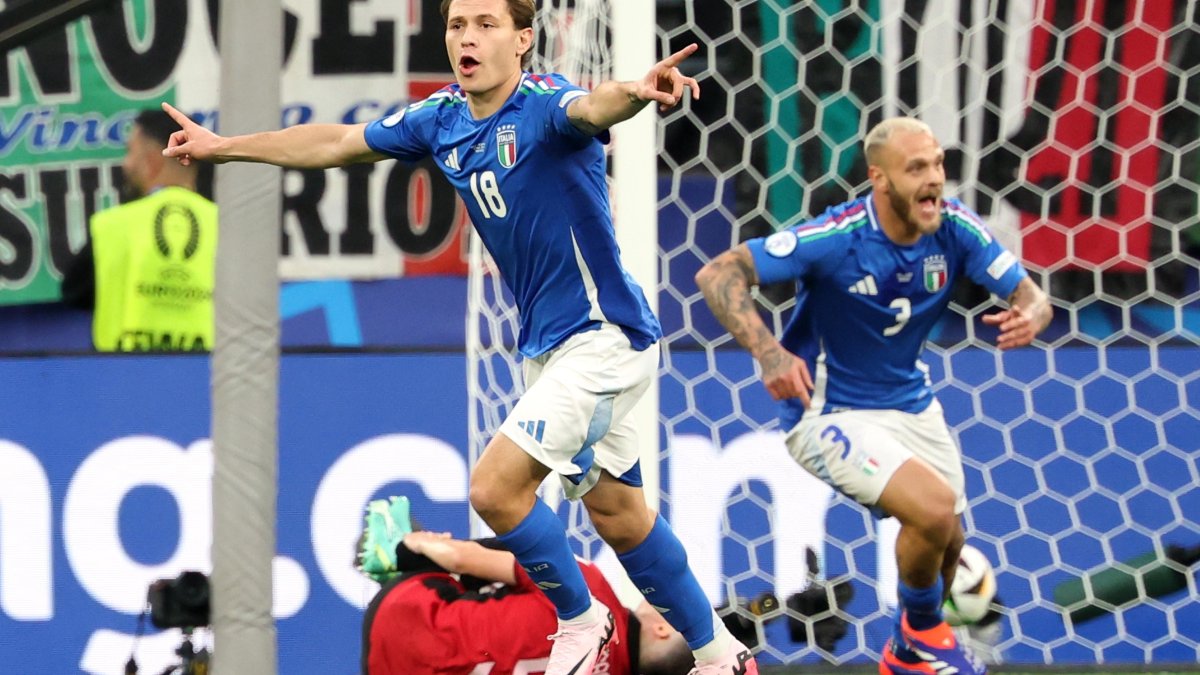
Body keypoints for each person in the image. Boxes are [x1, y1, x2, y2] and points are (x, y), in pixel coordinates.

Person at [161, 1, 757, 673]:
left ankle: (581, 619)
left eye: (486, 23)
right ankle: (721, 654)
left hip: (603, 337)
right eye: (456, 25)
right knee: (621, 517)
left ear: (524, 39)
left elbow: (592, 108)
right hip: (551, 350)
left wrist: (635, 93)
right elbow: (335, 142)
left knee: (494, 489)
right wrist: (224, 147)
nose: (467, 38)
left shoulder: (543, 103)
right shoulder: (441, 118)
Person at [694, 117, 1053, 675]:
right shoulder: (837, 238)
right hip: (828, 410)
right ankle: (916, 642)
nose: (934, 179)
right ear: (879, 179)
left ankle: (908, 648)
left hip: (911, 402)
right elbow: (718, 274)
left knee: (949, 538)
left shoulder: (956, 228)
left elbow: (1032, 295)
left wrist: (1032, 312)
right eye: (917, 168)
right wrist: (769, 354)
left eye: (937, 164)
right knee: (932, 512)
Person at [357, 496, 697, 675]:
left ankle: (400, 550)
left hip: (399, 615)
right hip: (383, 668)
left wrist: (418, 544)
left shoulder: (593, 591)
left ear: (663, 628)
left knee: (533, 560)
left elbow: (463, 560)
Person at [61, 108, 217, 352]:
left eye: (130, 152)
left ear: (152, 160)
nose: (126, 164)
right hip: (211, 380)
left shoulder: (113, 225)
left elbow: (73, 293)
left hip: (124, 382)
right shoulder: (226, 227)